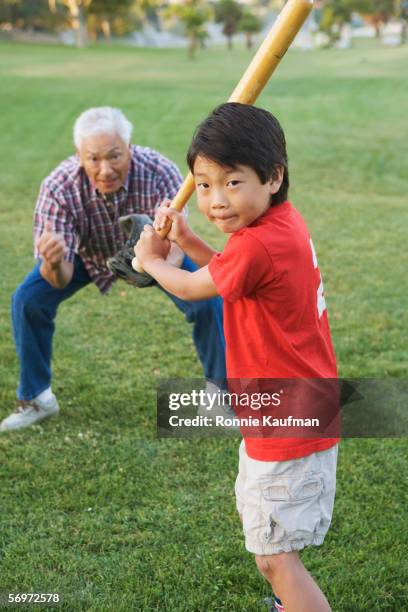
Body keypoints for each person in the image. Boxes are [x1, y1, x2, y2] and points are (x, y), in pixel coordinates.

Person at [134, 103, 340, 612]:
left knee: (276, 558)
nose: (216, 200)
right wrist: (185, 237)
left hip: (288, 422)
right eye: (203, 185)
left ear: (273, 177)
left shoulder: (255, 245)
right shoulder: (278, 226)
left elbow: (191, 287)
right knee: (269, 546)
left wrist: (151, 261)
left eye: (232, 182)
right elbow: (231, 272)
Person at [1, 106, 226, 432]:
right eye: (93, 159)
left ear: (129, 147)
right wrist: (52, 261)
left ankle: (219, 397)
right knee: (28, 300)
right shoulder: (58, 188)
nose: (105, 169)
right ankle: (37, 398)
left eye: (114, 156)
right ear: (79, 155)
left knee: (207, 300)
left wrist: (153, 266)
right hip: (82, 254)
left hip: (155, 252)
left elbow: (175, 248)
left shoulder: (160, 171)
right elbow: (59, 276)